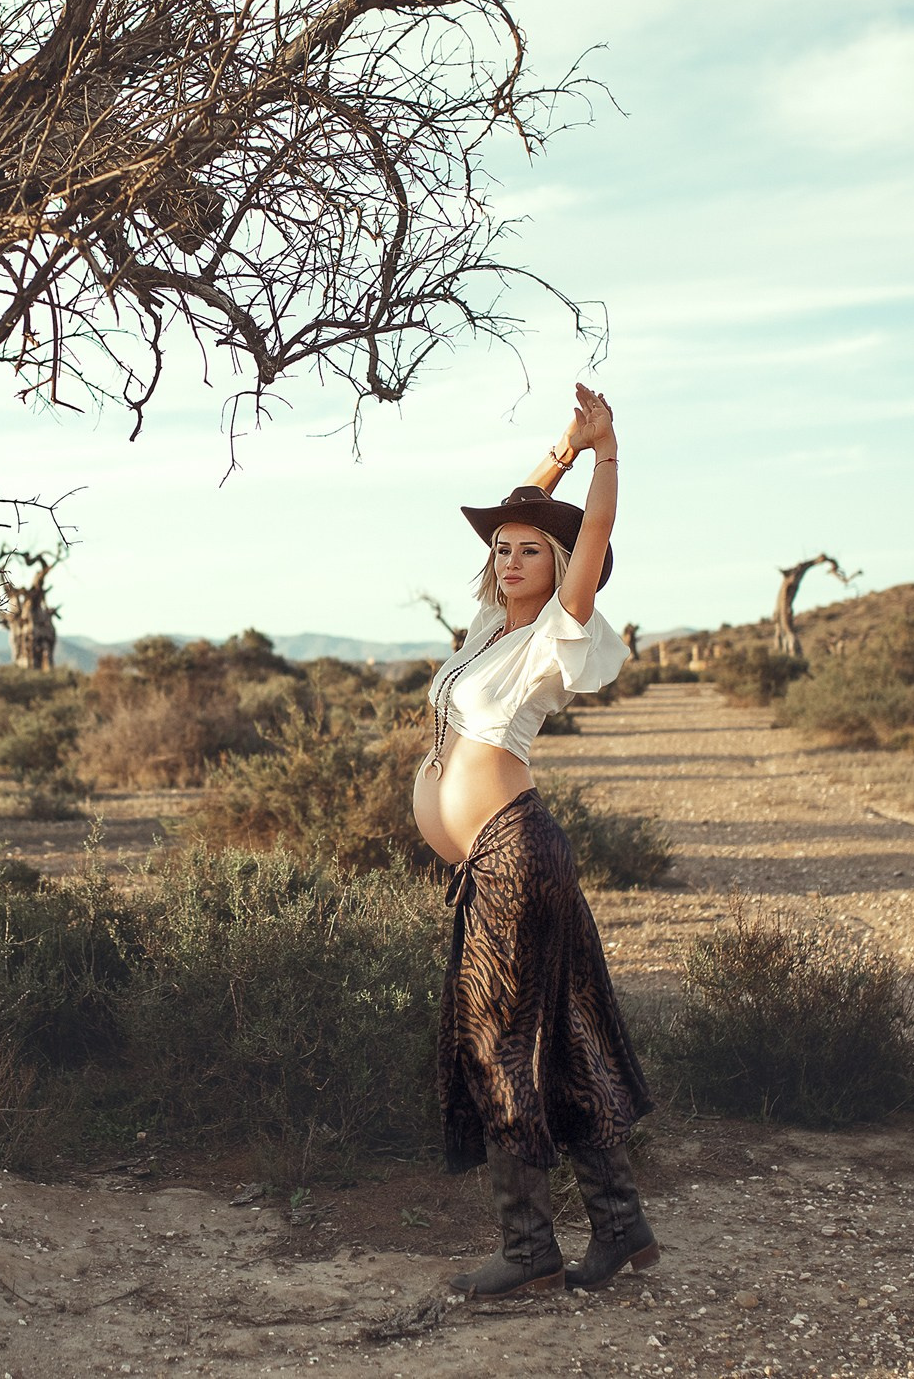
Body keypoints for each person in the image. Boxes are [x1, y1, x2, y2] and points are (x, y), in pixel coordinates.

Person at [415, 382, 659, 1300]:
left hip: (515, 856)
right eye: (503, 550)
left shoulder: (553, 635)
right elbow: (520, 516)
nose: (512, 559)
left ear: (558, 569)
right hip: (499, 863)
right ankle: (621, 1226)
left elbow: (585, 539)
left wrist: (604, 455)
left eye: (531, 552)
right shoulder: (486, 631)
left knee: (498, 1042)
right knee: (556, 1036)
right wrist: (556, 448)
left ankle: (528, 1250)